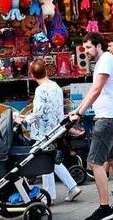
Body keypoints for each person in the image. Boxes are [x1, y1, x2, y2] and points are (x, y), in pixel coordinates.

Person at [68, 32, 113, 220]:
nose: (85, 51)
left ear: (98, 46)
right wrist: (78, 109)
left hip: (108, 117)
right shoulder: (107, 60)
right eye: (84, 48)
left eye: (88, 47)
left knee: (95, 162)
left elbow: (96, 89)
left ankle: (104, 208)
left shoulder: (104, 60)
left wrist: (79, 112)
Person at [16, 59, 82, 202]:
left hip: (42, 132)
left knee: (42, 161)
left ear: (32, 75)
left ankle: (48, 195)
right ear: (46, 71)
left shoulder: (40, 90)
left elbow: (39, 112)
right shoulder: (56, 87)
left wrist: (23, 119)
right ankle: (72, 186)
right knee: (51, 159)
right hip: (55, 129)